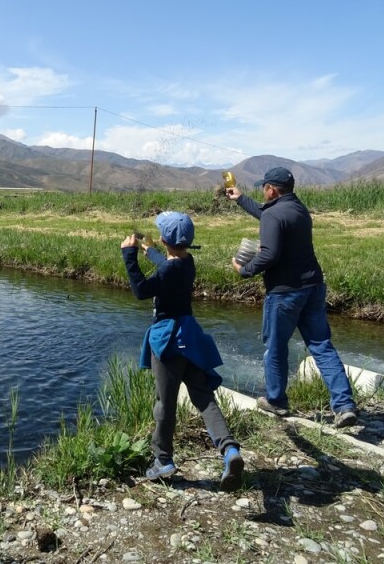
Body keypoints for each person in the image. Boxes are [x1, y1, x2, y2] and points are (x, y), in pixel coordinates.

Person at [225, 166, 358, 428]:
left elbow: (269, 254)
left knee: (275, 347)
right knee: (321, 345)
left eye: (264, 187)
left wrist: (245, 270)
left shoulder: (273, 215)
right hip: (313, 288)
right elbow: (267, 214)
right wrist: (240, 198)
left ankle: (276, 400)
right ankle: (344, 406)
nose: (263, 192)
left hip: (285, 293)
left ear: (271, 189)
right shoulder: (298, 209)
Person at [121, 211, 244, 491]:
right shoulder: (188, 263)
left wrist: (129, 255)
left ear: (163, 239)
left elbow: (141, 289)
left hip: (168, 339)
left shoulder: (167, 270)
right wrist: (150, 253)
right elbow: (169, 265)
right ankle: (230, 450)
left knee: (164, 403)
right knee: (203, 396)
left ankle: (163, 460)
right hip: (191, 335)